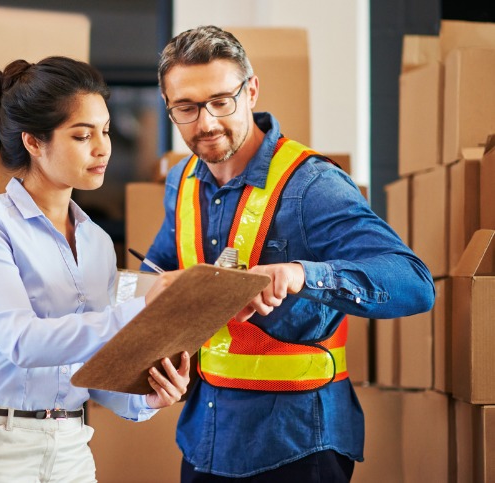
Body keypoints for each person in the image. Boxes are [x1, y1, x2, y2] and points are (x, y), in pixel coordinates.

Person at [143, 26, 436, 482]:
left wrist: (303, 274)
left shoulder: (313, 185)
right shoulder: (181, 182)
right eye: (186, 108)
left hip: (298, 447)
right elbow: (160, 268)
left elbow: (413, 282)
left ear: (251, 90)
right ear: (168, 107)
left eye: (221, 101)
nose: (206, 123)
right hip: (205, 441)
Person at [0, 56, 190, 483]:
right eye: (82, 135)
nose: (102, 147)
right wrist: (141, 309)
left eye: (104, 131)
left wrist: (148, 396)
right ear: (33, 142)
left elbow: (93, 370)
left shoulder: (97, 242)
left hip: (70, 445)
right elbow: (23, 343)